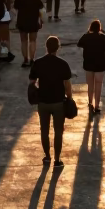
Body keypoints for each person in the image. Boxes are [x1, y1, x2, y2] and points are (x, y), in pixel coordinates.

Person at [29, 35, 73, 168]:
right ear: (58, 48)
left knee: (44, 131)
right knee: (58, 131)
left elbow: (32, 82)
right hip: (58, 102)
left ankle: (47, 156)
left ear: (46, 47)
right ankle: (57, 159)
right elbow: (67, 84)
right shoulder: (63, 64)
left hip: (43, 102)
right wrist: (69, 98)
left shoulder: (38, 63)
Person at [77, 19, 105, 114]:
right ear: (99, 28)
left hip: (88, 63)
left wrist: (87, 32)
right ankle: (97, 105)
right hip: (100, 64)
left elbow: (79, 44)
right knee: (98, 84)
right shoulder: (103, 37)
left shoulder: (86, 36)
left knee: (90, 85)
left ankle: (90, 102)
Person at [14, 0, 45, 66]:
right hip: (33, 21)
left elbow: (15, 8)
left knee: (23, 41)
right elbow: (41, 8)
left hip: (22, 21)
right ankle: (32, 59)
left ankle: (25, 59)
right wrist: (41, 20)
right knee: (33, 41)